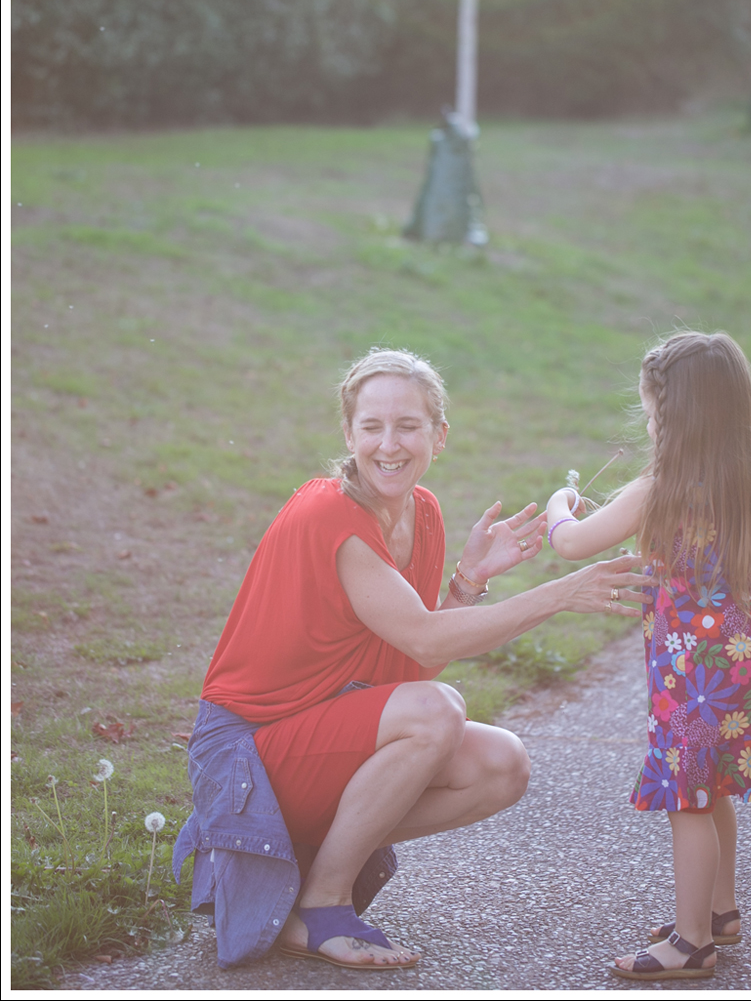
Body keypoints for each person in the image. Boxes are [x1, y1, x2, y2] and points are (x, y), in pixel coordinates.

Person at [175, 347, 650, 972]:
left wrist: (469, 580)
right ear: (348, 433)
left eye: (408, 426)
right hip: (245, 760)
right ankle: (319, 908)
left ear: (439, 435)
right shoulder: (330, 516)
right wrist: (561, 593)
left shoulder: (421, 513)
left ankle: (307, 869)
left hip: (314, 738)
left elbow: (401, 671)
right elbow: (426, 650)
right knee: (436, 713)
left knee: (501, 764)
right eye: (371, 426)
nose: (388, 444)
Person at [545, 331, 751, 983]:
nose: (650, 425)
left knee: (687, 799)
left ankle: (691, 945)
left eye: (654, 413)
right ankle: (720, 912)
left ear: (675, 417)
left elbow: (573, 545)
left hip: (696, 681)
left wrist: (558, 509)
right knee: (711, 790)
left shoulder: (658, 489)